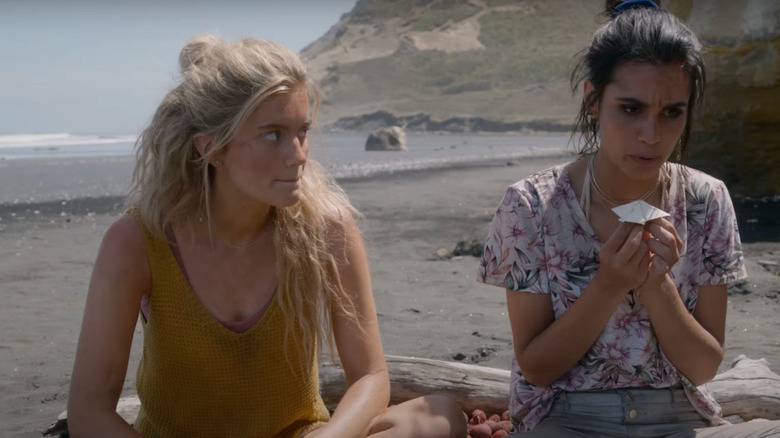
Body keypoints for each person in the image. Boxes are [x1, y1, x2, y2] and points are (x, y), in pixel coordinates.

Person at [67, 34, 466, 438]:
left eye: (302, 131)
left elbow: (370, 376)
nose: (298, 155)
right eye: (273, 134)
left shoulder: (327, 228)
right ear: (211, 148)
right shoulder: (139, 240)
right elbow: (88, 412)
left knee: (437, 415)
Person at [477, 1, 780, 436]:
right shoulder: (531, 204)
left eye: (672, 112)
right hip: (567, 417)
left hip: (679, 414)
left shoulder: (705, 199)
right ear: (594, 100)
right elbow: (539, 368)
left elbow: (703, 367)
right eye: (631, 109)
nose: (651, 135)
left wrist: (657, 285)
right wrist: (609, 284)